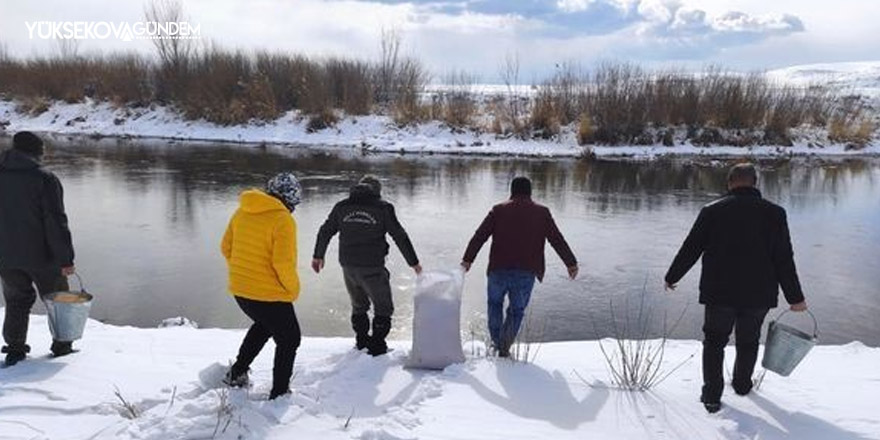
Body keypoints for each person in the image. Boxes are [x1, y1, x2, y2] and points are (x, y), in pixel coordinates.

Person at [664, 163, 808, 414]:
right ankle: (742, 385)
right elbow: (784, 258)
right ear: (755, 182)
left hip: (719, 292)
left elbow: (691, 248)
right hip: (759, 294)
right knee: (749, 340)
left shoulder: (712, 211)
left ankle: (711, 395)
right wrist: (795, 298)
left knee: (714, 342)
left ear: (730, 183)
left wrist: (672, 276)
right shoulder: (775, 214)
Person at [461, 176, 578, 357]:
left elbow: (480, 235)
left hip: (498, 270)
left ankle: (496, 343)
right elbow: (556, 239)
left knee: (494, 305)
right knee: (516, 311)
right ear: (530, 192)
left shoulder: (498, 210)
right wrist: (570, 262)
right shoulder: (542, 213)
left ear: (512, 191)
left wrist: (467, 260)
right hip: (526, 271)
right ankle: (503, 347)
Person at [312, 175, 421, 356]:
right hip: (372, 266)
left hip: (348, 265)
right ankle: (377, 346)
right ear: (377, 191)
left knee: (358, 304)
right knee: (383, 307)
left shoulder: (342, 207)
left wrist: (318, 255)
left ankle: (361, 341)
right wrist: (414, 263)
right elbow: (399, 235)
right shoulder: (383, 208)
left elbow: (325, 231)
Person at [220, 172, 303, 400]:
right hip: (268, 294)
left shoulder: (243, 210)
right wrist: (292, 290)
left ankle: (237, 373)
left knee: (265, 325)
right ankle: (279, 394)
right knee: (290, 338)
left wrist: (243, 271)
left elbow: (226, 247)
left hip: (241, 290)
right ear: (291, 198)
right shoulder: (282, 219)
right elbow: (282, 263)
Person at [0, 132, 77, 367]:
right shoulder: (45, 179)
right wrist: (66, 259)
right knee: (59, 300)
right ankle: (63, 346)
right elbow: (56, 222)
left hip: (6, 257)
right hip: (44, 257)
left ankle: (15, 349)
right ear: (36, 152)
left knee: (16, 301)